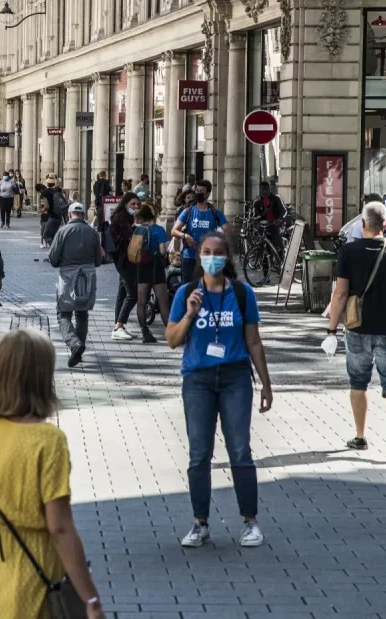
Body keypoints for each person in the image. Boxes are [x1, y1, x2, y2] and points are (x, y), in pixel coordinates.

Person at [0, 329, 105, 619]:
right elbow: (60, 527)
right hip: (33, 583)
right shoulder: (48, 441)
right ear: (42, 379)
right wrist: (90, 600)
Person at [166, 233, 273, 548]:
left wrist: (265, 383)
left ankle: (250, 522)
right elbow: (172, 339)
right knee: (199, 453)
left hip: (235, 377)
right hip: (197, 379)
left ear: (227, 258)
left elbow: (253, 340)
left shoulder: (242, 294)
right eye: (206, 252)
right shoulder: (187, 292)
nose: (212, 257)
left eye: (218, 252)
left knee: (240, 450)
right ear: (199, 256)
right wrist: (189, 313)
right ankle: (200, 523)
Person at [327, 201, 386, 462]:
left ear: (362, 224)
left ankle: (360, 436)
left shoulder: (349, 251)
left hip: (357, 327)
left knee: (358, 381)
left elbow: (341, 293)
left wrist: (332, 328)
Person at [49, 202, 104, 367]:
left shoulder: (63, 231)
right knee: (82, 314)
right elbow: (98, 261)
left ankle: (74, 344)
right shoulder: (93, 233)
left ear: (70, 215)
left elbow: (53, 259)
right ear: (82, 215)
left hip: (67, 278)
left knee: (63, 314)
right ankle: (79, 346)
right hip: (87, 277)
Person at [172, 179, 230, 282]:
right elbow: (174, 231)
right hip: (189, 257)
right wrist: (185, 236)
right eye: (197, 190)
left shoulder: (215, 213)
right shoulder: (188, 211)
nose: (198, 193)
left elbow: (228, 231)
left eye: (201, 191)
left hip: (208, 259)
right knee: (189, 291)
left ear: (207, 194)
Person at [132, 202, 171, 344]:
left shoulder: (138, 230)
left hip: (142, 267)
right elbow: (162, 251)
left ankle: (144, 332)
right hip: (156, 267)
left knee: (141, 302)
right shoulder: (159, 230)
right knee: (163, 302)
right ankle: (172, 333)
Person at [110, 193, 141, 341]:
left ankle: (118, 326)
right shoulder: (120, 218)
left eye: (137, 205)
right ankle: (119, 326)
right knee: (133, 294)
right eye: (133, 204)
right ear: (126, 203)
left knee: (122, 293)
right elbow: (125, 239)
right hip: (123, 260)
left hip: (124, 260)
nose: (135, 207)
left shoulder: (125, 218)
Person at [251, 181, 286, 252]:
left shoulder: (276, 199)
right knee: (262, 247)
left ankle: (281, 255)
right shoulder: (257, 203)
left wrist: (279, 219)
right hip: (263, 228)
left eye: (266, 189)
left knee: (278, 244)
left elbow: (284, 211)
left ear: (269, 189)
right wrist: (264, 213)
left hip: (275, 225)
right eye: (263, 189)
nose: (265, 191)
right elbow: (255, 216)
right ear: (260, 190)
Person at [40, 175, 63, 247]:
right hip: (59, 217)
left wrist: (42, 210)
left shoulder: (45, 193)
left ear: (47, 184)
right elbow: (60, 186)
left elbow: (46, 206)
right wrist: (56, 179)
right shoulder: (57, 190)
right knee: (54, 234)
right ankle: (55, 252)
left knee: (45, 235)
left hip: (52, 217)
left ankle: (56, 248)